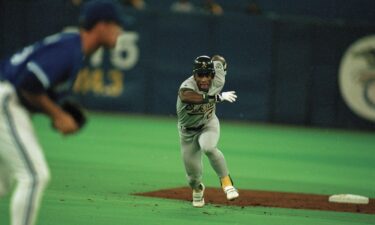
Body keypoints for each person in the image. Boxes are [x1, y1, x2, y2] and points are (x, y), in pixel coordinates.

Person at [0, 0, 125, 224]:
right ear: (102, 25)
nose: (121, 31)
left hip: (10, 100)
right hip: (6, 101)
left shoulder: (72, 47)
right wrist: (58, 115)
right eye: (117, 24)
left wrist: (56, 111)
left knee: (2, 182)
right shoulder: (71, 48)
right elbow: (28, 84)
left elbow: (33, 86)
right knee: (35, 176)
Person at [176, 55, 239, 207]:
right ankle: (198, 190)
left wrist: (221, 64)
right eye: (200, 75)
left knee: (209, 147)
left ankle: (227, 183)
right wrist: (216, 97)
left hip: (208, 123)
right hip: (188, 133)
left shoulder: (218, 79)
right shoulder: (187, 86)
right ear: (194, 75)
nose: (204, 79)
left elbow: (219, 59)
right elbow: (186, 97)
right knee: (193, 178)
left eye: (208, 75)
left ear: (213, 74)